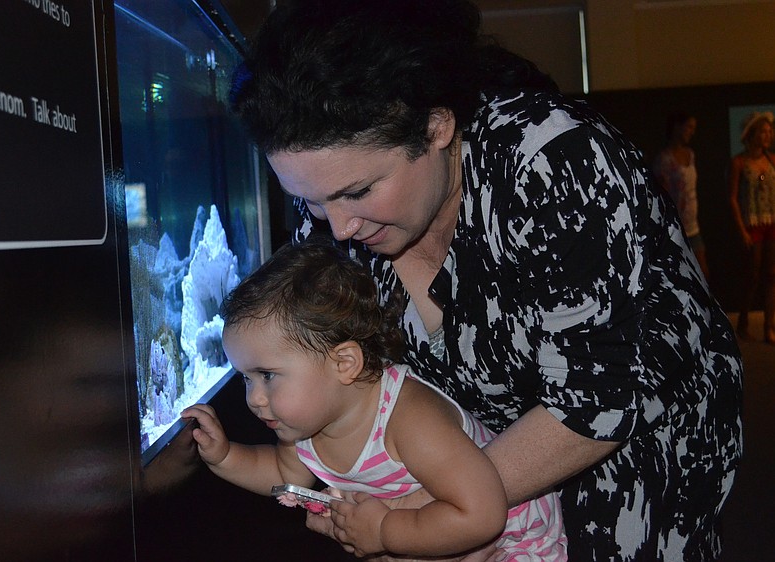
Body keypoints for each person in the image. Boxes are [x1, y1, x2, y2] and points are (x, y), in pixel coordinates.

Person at [228, 1, 744, 560]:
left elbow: (594, 402)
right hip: (469, 445)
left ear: (436, 126)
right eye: (309, 199)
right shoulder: (332, 213)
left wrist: (430, 513)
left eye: (357, 191)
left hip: (634, 428)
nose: (339, 225)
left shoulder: (552, 163)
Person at [182, 241, 568, 560]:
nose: (255, 399)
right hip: (434, 534)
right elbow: (285, 476)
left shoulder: (410, 421)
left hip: (513, 542)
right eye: (246, 380)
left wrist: (384, 531)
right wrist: (226, 457)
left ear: (344, 363)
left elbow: (482, 513)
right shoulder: (304, 424)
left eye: (266, 376)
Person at [728, 110, 775, 344]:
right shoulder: (739, 162)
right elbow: (733, 197)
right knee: (753, 275)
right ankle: (743, 322)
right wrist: (742, 230)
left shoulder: (772, 159)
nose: (768, 135)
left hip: (772, 222)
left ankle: (769, 326)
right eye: (763, 131)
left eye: (770, 131)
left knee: (772, 274)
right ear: (752, 134)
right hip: (752, 224)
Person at [652, 111, 710, 282]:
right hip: (674, 226)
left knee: (703, 272)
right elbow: (660, 193)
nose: (691, 132)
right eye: (689, 127)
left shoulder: (690, 154)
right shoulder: (664, 159)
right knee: (677, 275)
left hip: (692, 225)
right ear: (677, 127)